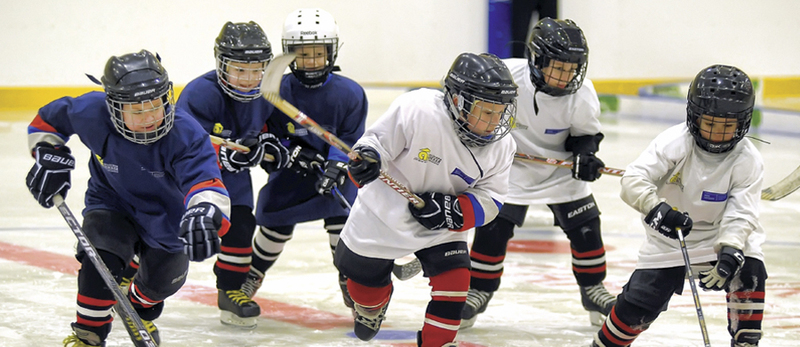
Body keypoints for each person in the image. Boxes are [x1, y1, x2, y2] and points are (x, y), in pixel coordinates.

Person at [25, 50, 231, 347]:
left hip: (168, 220)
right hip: (112, 201)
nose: (149, 117)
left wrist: (204, 213)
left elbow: (206, 181)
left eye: (155, 106)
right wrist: (48, 154)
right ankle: (89, 336)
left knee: (158, 288)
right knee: (100, 258)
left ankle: (134, 302)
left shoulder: (186, 134)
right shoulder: (92, 112)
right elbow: (47, 121)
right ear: (113, 107)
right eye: (136, 110)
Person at [334, 52, 518, 347]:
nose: (494, 122)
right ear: (458, 101)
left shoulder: (503, 145)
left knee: (456, 285)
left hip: (442, 226)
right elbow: (375, 143)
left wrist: (455, 211)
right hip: (382, 217)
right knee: (364, 290)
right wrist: (366, 161)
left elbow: (492, 200)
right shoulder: (418, 109)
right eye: (486, 111)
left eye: (501, 112)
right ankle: (372, 306)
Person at [590, 64, 767, 347]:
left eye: (727, 126)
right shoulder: (675, 142)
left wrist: (731, 249)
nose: (717, 135)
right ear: (695, 116)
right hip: (669, 240)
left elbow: (742, 213)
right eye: (710, 123)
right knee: (637, 309)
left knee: (749, 273)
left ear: (743, 122)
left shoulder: (748, 159)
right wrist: (657, 209)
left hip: (719, 235)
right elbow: (633, 180)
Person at [460, 17, 616, 329]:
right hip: (509, 167)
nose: (565, 76)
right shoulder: (506, 77)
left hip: (558, 170)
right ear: (537, 60)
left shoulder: (582, 93)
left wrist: (586, 156)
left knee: (586, 226)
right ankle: (478, 290)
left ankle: (593, 288)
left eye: (571, 68)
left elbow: (585, 136)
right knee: (493, 227)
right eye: (557, 67)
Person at [243, 8, 368, 314]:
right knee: (274, 224)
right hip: (291, 172)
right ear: (289, 55)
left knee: (343, 224)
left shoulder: (350, 94)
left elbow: (352, 139)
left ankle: (348, 281)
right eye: (303, 54)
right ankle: (253, 274)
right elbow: (263, 136)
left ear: (331, 52)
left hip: (335, 175)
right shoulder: (276, 91)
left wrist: (336, 164)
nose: (311, 62)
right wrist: (290, 152)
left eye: (318, 53)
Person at [176, 21, 288, 329]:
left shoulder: (266, 93)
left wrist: (269, 145)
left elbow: (268, 128)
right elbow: (180, 142)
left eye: (257, 70)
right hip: (190, 180)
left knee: (241, 226)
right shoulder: (200, 92)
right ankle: (130, 272)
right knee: (165, 230)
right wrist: (220, 155)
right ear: (221, 64)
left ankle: (231, 291)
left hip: (234, 180)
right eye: (240, 69)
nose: (249, 79)